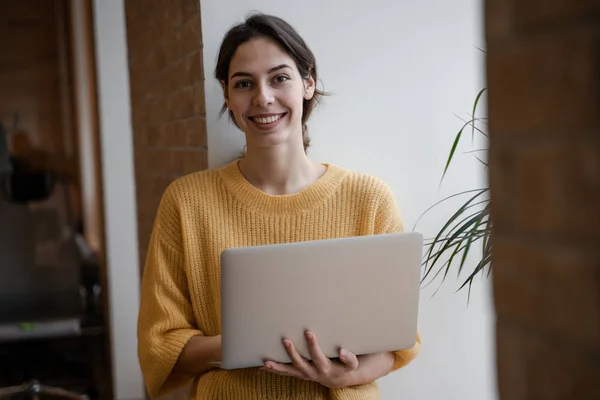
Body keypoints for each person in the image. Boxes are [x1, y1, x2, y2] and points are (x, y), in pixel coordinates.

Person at [137, 12, 421, 400]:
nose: (263, 98)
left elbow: (395, 342)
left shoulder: (368, 198)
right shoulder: (187, 202)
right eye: (244, 83)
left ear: (308, 83)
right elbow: (161, 345)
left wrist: (341, 377)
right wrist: (252, 344)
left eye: (279, 78)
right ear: (226, 94)